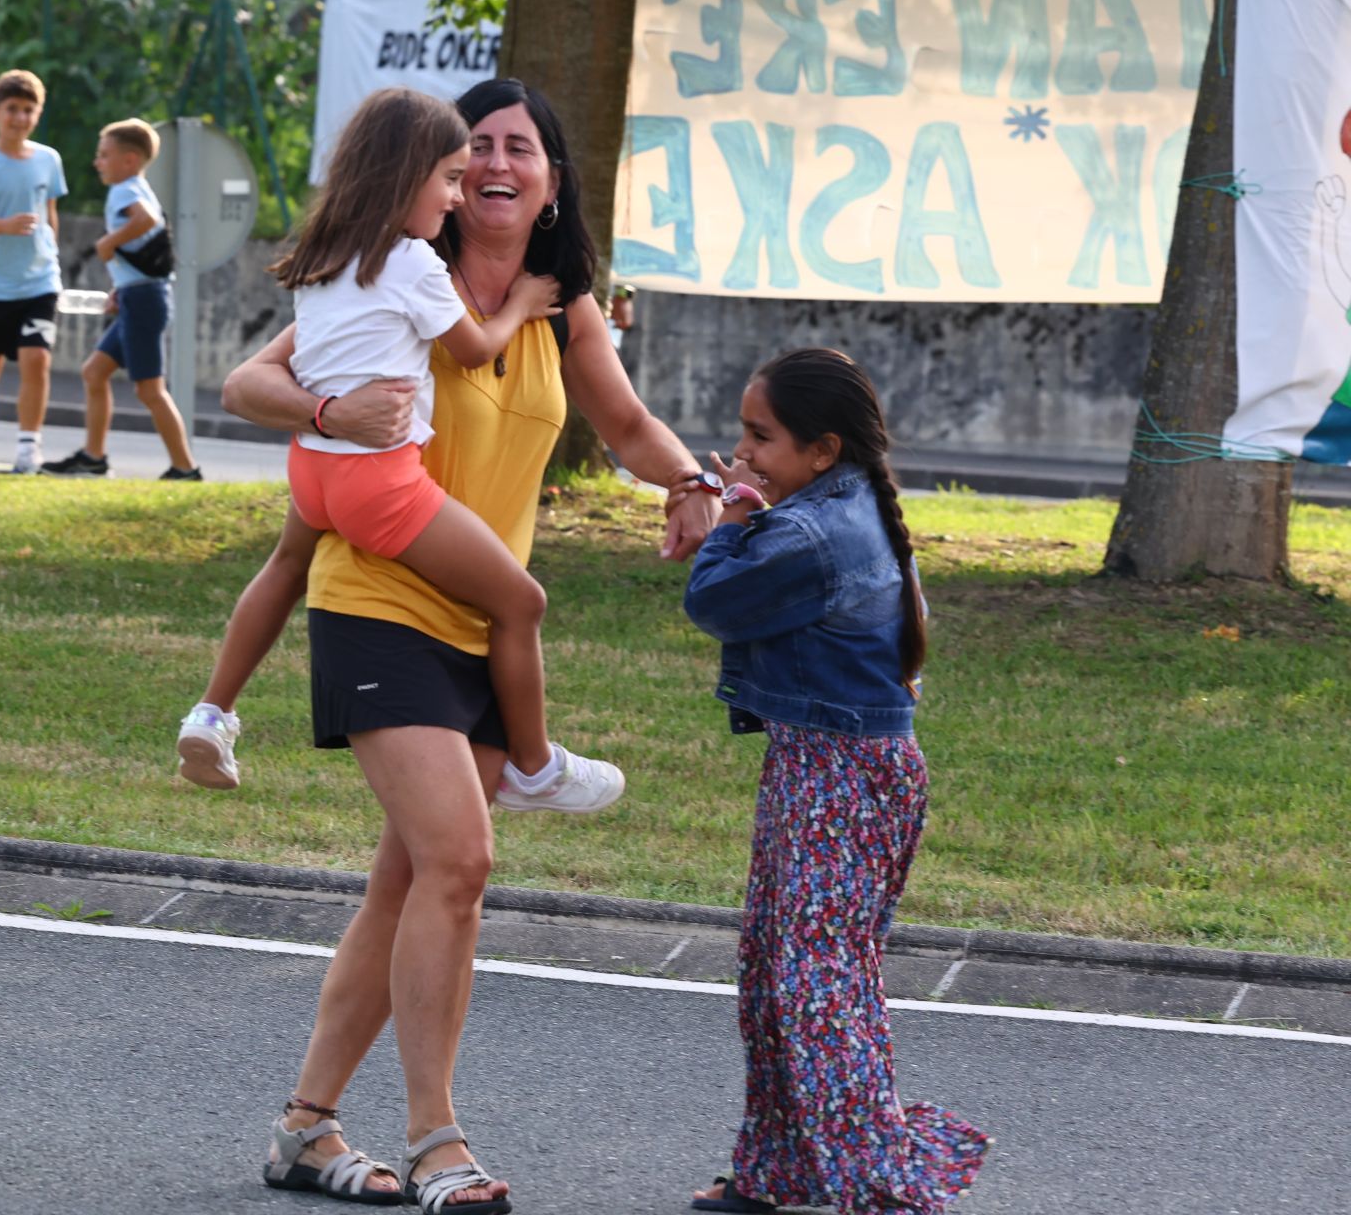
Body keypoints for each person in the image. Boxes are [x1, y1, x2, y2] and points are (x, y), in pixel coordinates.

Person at [216, 77, 717, 1211]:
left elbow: (629, 425)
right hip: (378, 597)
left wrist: (690, 480)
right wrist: (328, 414)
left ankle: (305, 1127)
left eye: (519, 149)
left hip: (481, 628)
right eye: (475, 146)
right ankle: (438, 1137)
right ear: (444, 171)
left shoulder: (559, 309)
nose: (495, 164)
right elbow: (253, 377)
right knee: (461, 860)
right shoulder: (403, 271)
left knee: (408, 880)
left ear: (551, 180)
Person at [182, 86, 622, 814]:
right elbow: (476, 348)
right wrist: (519, 306)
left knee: (286, 564)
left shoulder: (331, 253)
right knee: (521, 601)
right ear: (404, 175)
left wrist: (325, 413)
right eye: (451, 177)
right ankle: (537, 765)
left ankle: (212, 711)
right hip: (376, 476)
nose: (457, 197)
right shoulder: (418, 264)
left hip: (316, 464)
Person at [679, 349, 988, 1214]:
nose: (742, 453)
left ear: (822, 449)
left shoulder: (813, 534)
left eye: (759, 437)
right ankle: (782, 1169)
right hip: (825, 765)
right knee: (778, 972)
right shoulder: (839, 508)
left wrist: (732, 510)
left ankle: (879, 1181)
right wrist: (750, 497)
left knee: (817, 984)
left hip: (842, 776)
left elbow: (715, 601)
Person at [41, 117, 201, 480]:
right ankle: (93, 457)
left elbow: (144, 221)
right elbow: (148, 235)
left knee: (150, 390)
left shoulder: (125, 190)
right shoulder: (139, 186)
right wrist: (123, 284)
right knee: (94, 372)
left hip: (144, 301)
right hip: (139, 295)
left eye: (104, 155)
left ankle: (185, 468)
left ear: (129, 160)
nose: (98, 162)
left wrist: (107, 243)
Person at [0, 69, 68, 475]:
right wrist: (3, 226)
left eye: (28, 110)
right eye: (12, 109)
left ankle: (28, 450)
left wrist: (50, 254)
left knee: (37, 358)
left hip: (40, 282)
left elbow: (50, 214)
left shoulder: (48, 159)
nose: (20, 118)